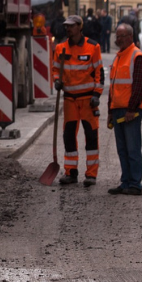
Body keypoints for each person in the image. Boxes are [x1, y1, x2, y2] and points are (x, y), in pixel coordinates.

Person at [52, 15, 105, 187]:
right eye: (66, 26)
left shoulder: (93, 47)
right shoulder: (60, 48)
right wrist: (56, 81)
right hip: (69, 100)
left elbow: (99, 72)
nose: (68, 29)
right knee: (69, 136)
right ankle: (71, 172)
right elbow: (55, 69)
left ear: (80, 27)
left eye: (72, 26)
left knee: (91, 137)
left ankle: (91, 175)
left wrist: (97, 94)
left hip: (88, 100)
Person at [107, 24, 142, 196]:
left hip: (131, 111)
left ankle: (135, 184)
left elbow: (139, 86)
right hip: (118, 109)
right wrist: (110, 110)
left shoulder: (137, 56)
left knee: (132, 149)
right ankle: (125, 182)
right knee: (122, 149)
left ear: (130, 36)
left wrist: (131, 109)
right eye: (117, 36)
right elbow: (113, 87)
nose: (118, 39)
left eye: (122, 36)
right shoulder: (118, 57)